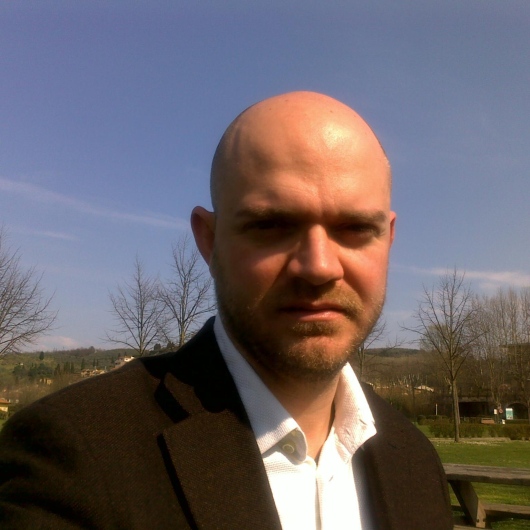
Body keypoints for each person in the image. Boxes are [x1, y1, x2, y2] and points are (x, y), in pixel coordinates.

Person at [0, 92, 453, 529]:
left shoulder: (413, 461)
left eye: (354, 228)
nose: (318, 267)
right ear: (209, 240)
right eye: (271, 225)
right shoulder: (72, 460)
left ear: (388, 239)